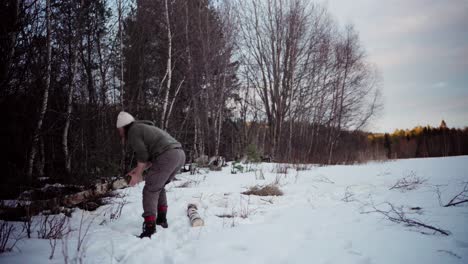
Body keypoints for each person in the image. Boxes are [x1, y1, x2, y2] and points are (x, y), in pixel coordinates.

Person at [116, 111, 185, 238]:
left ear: (123, 127)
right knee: (158, 187)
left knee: (150, 190)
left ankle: (149, 228)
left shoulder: (133, 131)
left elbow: (142, 155)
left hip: (168, 155)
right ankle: (161, 219)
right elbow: (151, 157)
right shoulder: (144, 128)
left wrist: (138, 174)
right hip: (179, 155)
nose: (119, 133)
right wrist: (137, 170)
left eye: (119, 129)